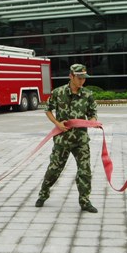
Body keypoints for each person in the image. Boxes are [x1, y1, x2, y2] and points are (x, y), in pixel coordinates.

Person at [35, 63, 99, 213]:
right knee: (54, 169)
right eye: (79, 78)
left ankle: (85, 201)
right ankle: (43, 194)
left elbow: (92, 112)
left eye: (84, 78)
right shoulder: (58, 93)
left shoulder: (88, 95)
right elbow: (48, 110)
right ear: (71, 76)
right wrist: (57, 123)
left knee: (85, 170)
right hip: (62, 139)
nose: (82, 81)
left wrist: (93, 120)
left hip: (80, 140)